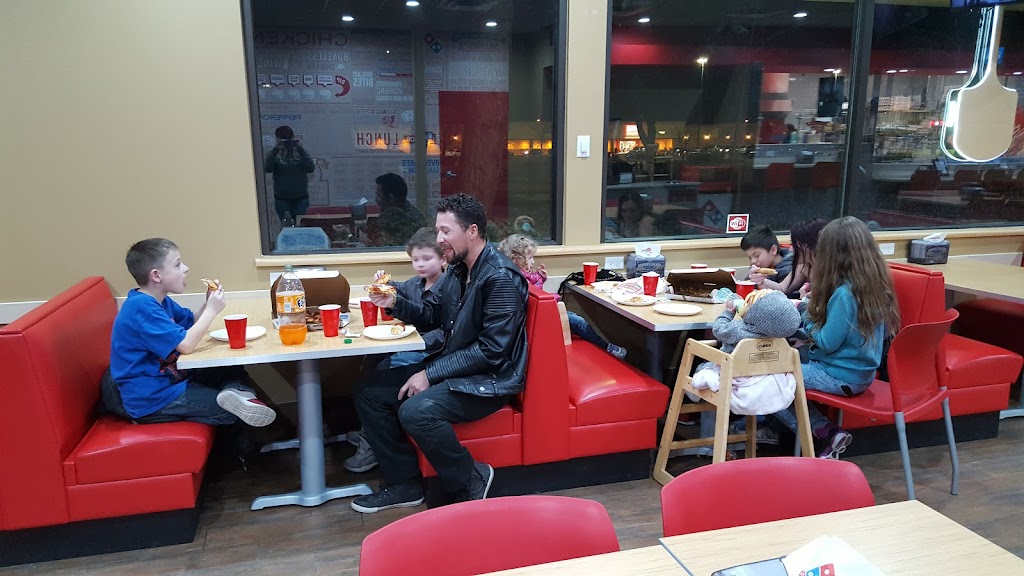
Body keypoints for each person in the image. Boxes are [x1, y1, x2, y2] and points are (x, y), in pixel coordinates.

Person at [352, 194, 529, 513]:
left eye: (446, 231)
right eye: (438, 230)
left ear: (472, 231)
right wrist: (394, 303)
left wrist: (429, 374)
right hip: (458, 368)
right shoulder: (459, 270)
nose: (439, 239)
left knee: (415, 411)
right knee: (370, 393)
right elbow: (433, 314)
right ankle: (404, 484)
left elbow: (492, 351)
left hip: (490, 380)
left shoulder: (500, 278)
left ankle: (471, 477)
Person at [110, 238, 277, 430]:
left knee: (230, 367)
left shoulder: (159, 300)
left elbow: (191, 320)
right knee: (231, 413)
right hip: (154, 400)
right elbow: (186, 345)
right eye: (177, 264)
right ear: (156, 275)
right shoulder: (141, 308)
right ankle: (239, 402)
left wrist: (207, 303)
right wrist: (211, 310)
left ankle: (240, 396)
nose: (186, 268)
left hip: (174, 382)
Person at [771, 217, 900, 459]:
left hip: (839, 375)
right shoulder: (873, 287)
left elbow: (827, 343)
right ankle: (822, 433)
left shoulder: (844, 294)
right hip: (860, 374)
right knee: (786, 362)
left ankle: (823, 432)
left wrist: (805, 310)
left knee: (770, 379)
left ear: (834, 255)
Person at [344, 227, 459, 473]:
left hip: (432, 353)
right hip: (415, 346)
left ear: (443, 259)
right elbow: (398, 288)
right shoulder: (416, 283)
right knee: (371, 362)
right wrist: (384, 283)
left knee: (381, 373)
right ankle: (371, 430)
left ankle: (371, 441)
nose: (420, 264)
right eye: (415, 260)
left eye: (426, 258)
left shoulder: (450, 287)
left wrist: (418, 340)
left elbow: (447, 330)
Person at [498, 233, 627, 360]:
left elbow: (535, 288)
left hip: (542, 312)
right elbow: (534, 296)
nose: (533, 261)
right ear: (517, 259)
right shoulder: (518, 277)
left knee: (575, 318)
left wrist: (541, 277)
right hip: (540, 315)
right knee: (579, 322)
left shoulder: (520, 273)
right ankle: (605, 347)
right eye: (530, 258)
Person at [748, 217, 828, 297]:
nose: (790, 249)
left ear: (807, 246)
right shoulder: (804, 266)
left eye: (794, 245)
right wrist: (761, 281)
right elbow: (782, 288)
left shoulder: (831, 266)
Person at [264, 126, 315, 224]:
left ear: (293, 138)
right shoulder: (274, 154)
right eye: (283, 139)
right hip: (282, 198)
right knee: (286, 226)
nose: (286, 142)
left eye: (288, 139)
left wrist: (300, 149)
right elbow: (267, 169)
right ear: (277, 139)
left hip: (301, 198)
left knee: (301, 226)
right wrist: (275, 150)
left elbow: (310, 168)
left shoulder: (301, 152)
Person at [366, 172, 426, 247]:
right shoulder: (410, 213)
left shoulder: (399, 217)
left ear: (391, 198)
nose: (376, 200)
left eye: (378, 195)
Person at [740, 225, 795, 297]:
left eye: (757, 255)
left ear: (773, 250)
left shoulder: (789, 269)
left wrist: (760, 281)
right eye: (750, 258)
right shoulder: (760, 267)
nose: (753, 261)